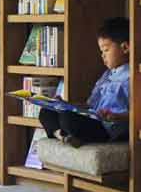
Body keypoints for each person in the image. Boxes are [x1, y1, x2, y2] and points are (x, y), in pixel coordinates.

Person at [39, 17, 129, 146]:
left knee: (68, 118)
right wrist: (65, 104)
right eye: (101, 51)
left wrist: (116, 116)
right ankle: (62, 135)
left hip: (107, 128)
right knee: (47, 111)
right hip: (92, 118)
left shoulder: (131, 78)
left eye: (106, 50)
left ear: (125, 48)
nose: (102, 55)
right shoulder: (106, 75)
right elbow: (89, 106)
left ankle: (67, 135)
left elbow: (138, 115)